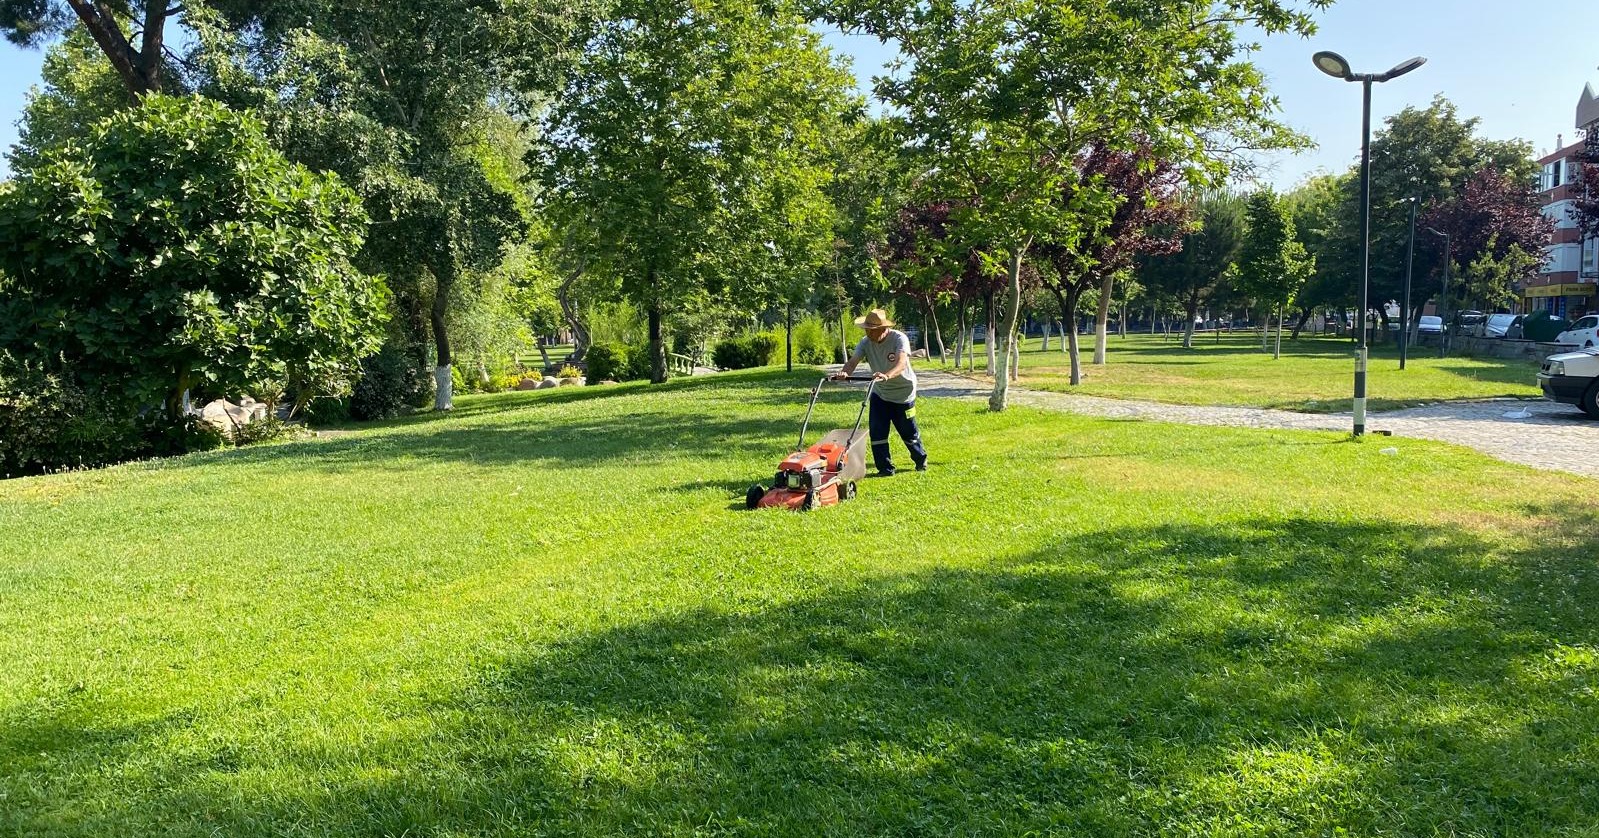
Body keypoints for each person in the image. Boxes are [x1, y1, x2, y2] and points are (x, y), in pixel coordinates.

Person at [831, 309, 927, 476]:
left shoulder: (899, 339)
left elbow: (902, 363)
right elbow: (853, 362)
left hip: (903, 393)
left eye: (871, 330)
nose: (868, 333)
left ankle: (920, 459)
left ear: (883, 329)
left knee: (908, 431)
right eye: (866, 329)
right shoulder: (865, 342)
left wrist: (887, 375)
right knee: (877, 430)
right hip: (880, 392)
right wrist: (845, 373)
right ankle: (885, 468)